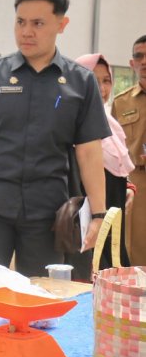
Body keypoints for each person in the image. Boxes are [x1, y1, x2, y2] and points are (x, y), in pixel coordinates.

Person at [0, 0, 110, 277]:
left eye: (38, 23)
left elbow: (89, 153)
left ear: (62, 24)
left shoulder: (80, 82)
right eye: (20, 22)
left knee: (42, 296)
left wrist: (98, 215)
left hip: (47, 212)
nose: (26, 32)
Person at [65, 54, 135, 275]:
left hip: (112, 207)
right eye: (94, 80)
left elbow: (118, 164)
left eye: (106, 81)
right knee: (94, 268)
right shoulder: (71, 119)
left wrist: (128, 186)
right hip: (88, 211)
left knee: (114, 264)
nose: (102, 88)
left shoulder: (109, 121)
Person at [112, 34, 146, 266]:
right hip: (137, 185)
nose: (144, 61)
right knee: (136, 255)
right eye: (138, 56)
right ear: (132, 63)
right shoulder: (121, 103)